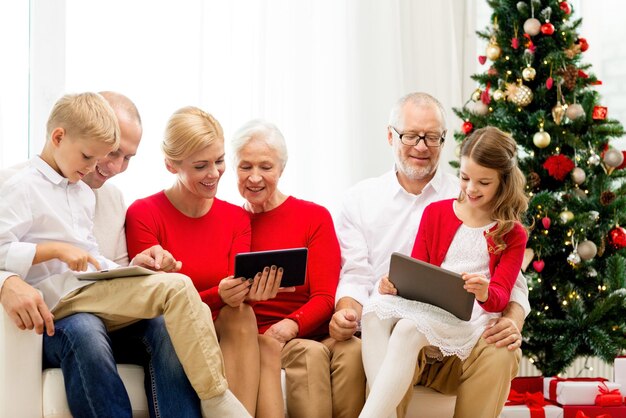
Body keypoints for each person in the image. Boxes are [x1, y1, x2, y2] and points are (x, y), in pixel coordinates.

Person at [0, 92, 250, 418]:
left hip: (85, 290)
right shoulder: (19, 184)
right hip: (55, 301)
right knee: (171, 289)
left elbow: (91, 256)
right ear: (59, 137)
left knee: (169, 308)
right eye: (96, 156)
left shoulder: (81, 192)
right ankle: (217, 399)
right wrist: (50, 253)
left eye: (125, 157)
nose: (105, 167)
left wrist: (133, 269)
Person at [330, 92, 531, 418]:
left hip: (462, 325)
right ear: (390, 135)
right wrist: (358, 304)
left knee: (501, 352)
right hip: (404, 317)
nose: (421, 146)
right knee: (379, 314)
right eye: (411, 135)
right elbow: (357, 274)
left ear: (443, 141)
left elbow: (511, 283)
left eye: (432, 138)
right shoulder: (361, 200)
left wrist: (513, 318)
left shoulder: (466, 196)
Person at [125, 106, 287, 418]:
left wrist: (250, 291)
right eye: (201, 166)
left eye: (220, 161)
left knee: (241, 314)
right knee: (233, 312)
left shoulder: (237, 218)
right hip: (172, 328)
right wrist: (218, 295)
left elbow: (235, 294)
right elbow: (154, 304)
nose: (214, 173)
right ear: (172, 165)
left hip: (222, 323)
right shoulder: (144, 213)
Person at [231, 119, 365, 418]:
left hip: (309, 329)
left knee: (353, 351)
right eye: (245, 167)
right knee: (310, 353)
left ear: (281, 169)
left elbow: (324, 297)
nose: (255, 177)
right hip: (261, 338)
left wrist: (291, 326)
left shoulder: (313, 217)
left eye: (265, 167)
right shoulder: (229, 222)